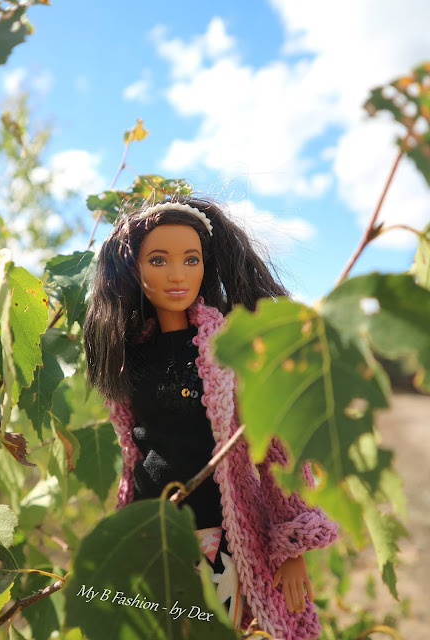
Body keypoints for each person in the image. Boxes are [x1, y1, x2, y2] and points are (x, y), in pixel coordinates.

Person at [83, 197, 337, 640]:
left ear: (206, 266)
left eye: (191, 259)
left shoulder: (229, 349)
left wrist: (292, 544)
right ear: (134, 271)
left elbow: (275, 447)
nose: (176, 274)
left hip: (216, 536)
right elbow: (136, 449)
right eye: (158, 260)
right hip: (148, 534)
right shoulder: (130, 354)